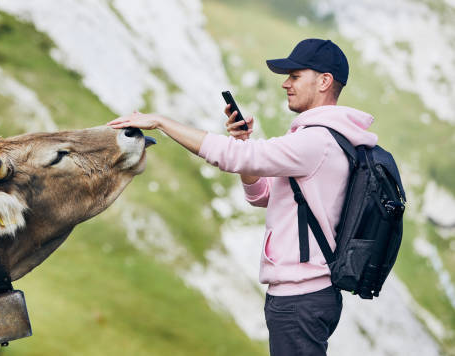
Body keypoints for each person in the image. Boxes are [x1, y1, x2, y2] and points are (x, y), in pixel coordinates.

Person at [108, 38, 378, 356]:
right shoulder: (325, 139)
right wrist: (245, 145)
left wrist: (161, 122)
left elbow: (230, 157)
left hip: (300, 295)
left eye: (294, 75)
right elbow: (262, 194)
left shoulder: (316, 141)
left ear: (324, 81)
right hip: (306, 293)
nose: (285, 84)